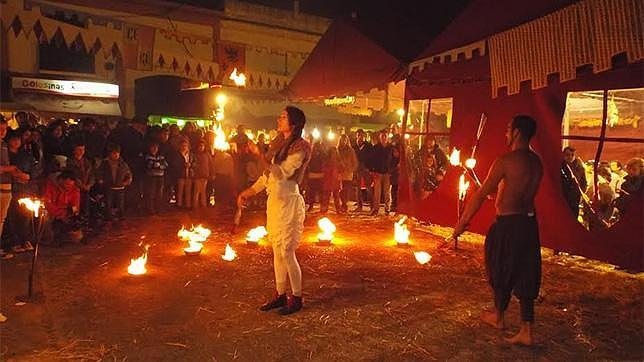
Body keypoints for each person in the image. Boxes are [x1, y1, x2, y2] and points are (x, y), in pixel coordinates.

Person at [451, 115, 543, 346]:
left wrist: (462, 222)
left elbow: (482, 194)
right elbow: (513, 190)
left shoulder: (506, 160)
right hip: (528, 224)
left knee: (500, 268)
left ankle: (498, 316)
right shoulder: (536, 162)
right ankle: (527, 330)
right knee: (526, 271)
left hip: (508, 225)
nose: (505, 133)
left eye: (508, 129)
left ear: (517, 133)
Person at [237, 106, 311, 315]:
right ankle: (280, 294)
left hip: (288, 201)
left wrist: (258, 154)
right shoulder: (278, 144)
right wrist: (247, 192)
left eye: (284, 117)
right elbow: (266, 177)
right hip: (275, 203)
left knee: (287, 251)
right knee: (277, 251)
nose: (279, 119)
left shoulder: (301, 147)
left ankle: (296, 297)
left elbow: (281, 173)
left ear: (294, 124)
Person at [43, 170, 83, 244]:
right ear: (60, 180)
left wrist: (73, 216)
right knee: (45, 217)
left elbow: (75, 207)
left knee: (77, 237)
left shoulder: (75, 189)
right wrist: (60, 214)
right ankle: (47, 237)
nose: (69, 187)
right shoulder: (50, 185)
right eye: (67, 184)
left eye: (71, 185)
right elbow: (47, 204)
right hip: (50, 212)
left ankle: (61, 235)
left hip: (65, 214)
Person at [97, 144, 132, 221]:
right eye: (114, 153)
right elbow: (99, 172)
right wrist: (100, 180)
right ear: (110, 154)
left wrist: (126, 182)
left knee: (120, 203)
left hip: (120, 187)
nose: (116, 155)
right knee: (108, 202)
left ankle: (121, 215)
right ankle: (108, 216)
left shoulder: (123, 164)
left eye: (117, 153)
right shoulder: (105, 163)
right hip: (109, 187)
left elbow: (128, 173)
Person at [66, 143, 95, 221]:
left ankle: (85, 218)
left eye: (83, 149)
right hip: (76, 187)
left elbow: (92, 174)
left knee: (86, 203)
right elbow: (72, 175)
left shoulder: (87, 162)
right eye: (79, 149)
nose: (82, 151)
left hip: (86, 186)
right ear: (74, 150)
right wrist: (81, 185)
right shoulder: (70, 162)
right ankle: (76, 218)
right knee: (76, 203)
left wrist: (89, 184)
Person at [560, 146, 587, 218]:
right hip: (562, 198)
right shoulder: (559, 166)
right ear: (563, 155)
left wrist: (581, 194)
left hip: (574, 199)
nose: (570, 157)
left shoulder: (580, 168)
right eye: (568, 155)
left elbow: (584, 183)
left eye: (572, 155)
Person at [369, 132, 392, 215]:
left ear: (387, 137)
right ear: (380, 137)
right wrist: (373, 170)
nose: (384, 137)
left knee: (387, 192)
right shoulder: (376, 147)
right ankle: (376, 209)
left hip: (387, 173)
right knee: (377, 192)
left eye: (385, 136)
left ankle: (387, 208)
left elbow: (393, 160)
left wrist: (391, 171)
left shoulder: (390, 148)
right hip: (378, 172)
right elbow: (371, 160)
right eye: (382, 136)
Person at [143, 141, 168, 214]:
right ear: (150, 148)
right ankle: (150, 209)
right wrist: (156, 165)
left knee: (159, 193)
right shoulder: (148, 156)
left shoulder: (161, 156)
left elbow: (165, 165)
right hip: (151, 177)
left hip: (160, 177)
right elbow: (149, 166)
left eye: (156, 147)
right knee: (151, 193)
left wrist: (159, 166)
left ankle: (158, 208)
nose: (154, 149)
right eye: (153, 147)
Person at [353, 129, 372, 211]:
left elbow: (371, 158)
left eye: (361, 135)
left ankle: (372, 205)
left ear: (364, 136)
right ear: (356, 136)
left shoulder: (368, 146)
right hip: (357, 168)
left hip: (366, 168)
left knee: (368, 188)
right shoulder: (354, 146)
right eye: (358, 135)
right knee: (358, 188)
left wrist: (369, 168)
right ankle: (359, 206)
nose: (360, 137)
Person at [337, 134, 358, 213]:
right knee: (341, 189)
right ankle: (343, 203)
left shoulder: (351, 150)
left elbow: (355, 162)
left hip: (348, 173)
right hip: (340, 173)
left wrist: (351, 169)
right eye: (342, 140)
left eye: (345, 140)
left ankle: (344, 204)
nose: (344, 141)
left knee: (346, 189)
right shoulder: (337, 150)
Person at [192, 140, 211, 208]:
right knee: (196, 191)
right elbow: (192, 164)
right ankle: (195, 205)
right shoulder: (194, 155)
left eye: (202, 146)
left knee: (203, 191)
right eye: (200, 146)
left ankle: (203, 205)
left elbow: (210, 164)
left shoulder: (207, 155)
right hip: (197, 175)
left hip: (205, 175)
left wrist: (212, 173)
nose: (201, 147)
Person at [176, 139, 194, 209]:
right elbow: (175, 164)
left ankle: (188, 205)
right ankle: (179, 204)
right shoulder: (178, 154)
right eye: (183, 146)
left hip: (189, 174)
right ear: (180, 146)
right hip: (181, 174)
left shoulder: (190, 155)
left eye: (185, 146)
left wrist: (191, 165)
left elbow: (195, 163)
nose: (184, 147)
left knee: (188, 191)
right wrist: (183, 165)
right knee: (180, 191)